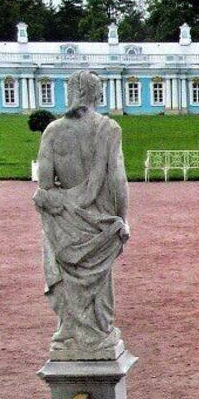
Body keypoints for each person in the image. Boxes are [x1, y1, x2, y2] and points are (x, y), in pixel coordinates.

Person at [33, 70, 130, 359]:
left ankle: (70, 334)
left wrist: (62, 204)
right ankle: (98, 332)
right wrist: (122, 220)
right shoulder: (108, 128)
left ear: (71, 93)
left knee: (65, 279)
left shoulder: (53, 131)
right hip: (98, 221)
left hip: (65, 221)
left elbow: (45, 186)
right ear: (97, 94)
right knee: (99, 283)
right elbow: (117, 179)